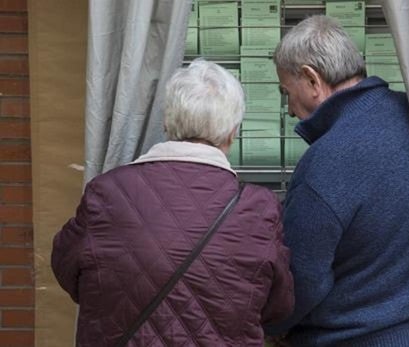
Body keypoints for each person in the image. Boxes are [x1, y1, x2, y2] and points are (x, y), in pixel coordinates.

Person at [52, 60, 294, 347]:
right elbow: (279, 305)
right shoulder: (258, 208)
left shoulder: (105, 193)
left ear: (166, 123)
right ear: (233, 131)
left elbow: (66, 269)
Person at [264, 15, 409, 346]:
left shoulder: (326, 162)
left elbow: (302, 280)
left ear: (312, 79)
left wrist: (271, 326)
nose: (289, 109)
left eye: (286, 92)